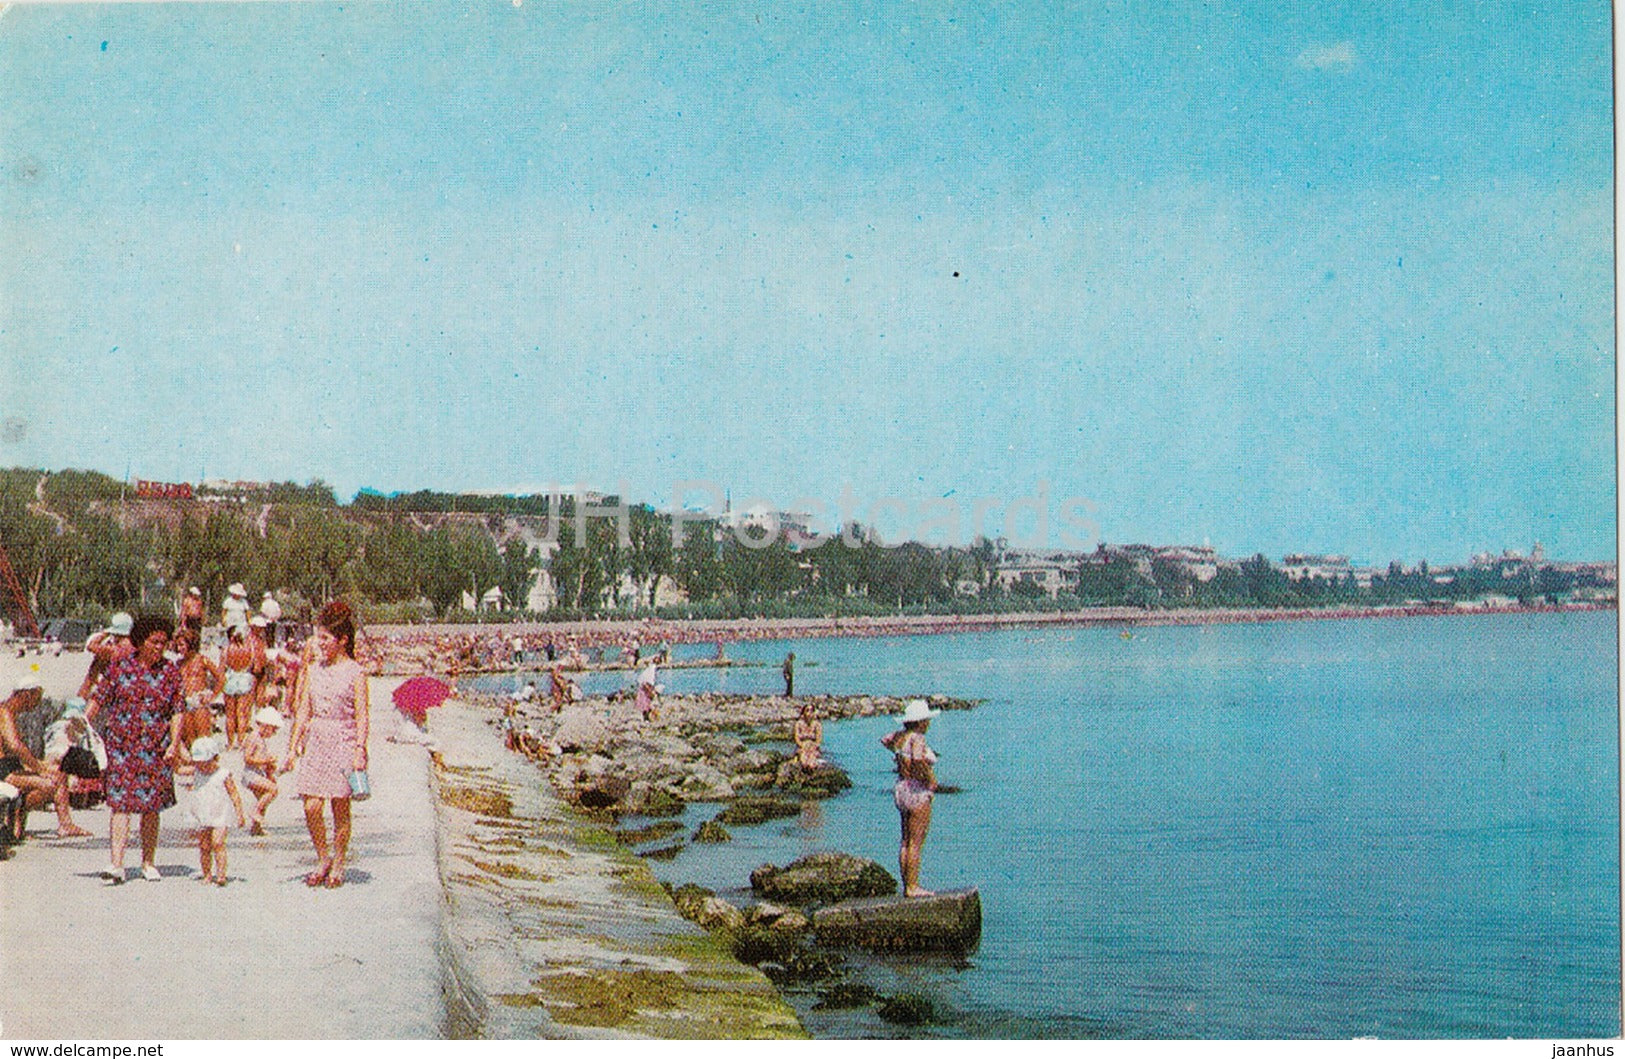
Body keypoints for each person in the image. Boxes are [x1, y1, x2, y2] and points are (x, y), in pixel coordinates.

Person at [85, 614, 186, 884]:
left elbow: (177, 711)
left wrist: (175, 744)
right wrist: (81, 725)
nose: (159, 647)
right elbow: (99, 698)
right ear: (140, 641)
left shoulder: (171, 672)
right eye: (154, 641)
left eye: (163, 642)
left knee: (151, 806)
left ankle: (148, 861)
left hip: (155, 747)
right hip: (120, 746)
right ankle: (116, 863)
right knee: (120, 804)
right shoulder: (119, 667)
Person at [281, 600, 369, 889]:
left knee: (340, 807)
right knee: (311, 807)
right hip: (317, 739)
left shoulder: (356, 672)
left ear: (342, 640)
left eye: (325, 639)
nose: (319, 644)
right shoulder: (313, 669)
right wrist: (292, 748)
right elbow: (303, 710)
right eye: (318, 638)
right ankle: (322, 857)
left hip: (343, 739)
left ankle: (339, 861)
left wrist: (360, 751)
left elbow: (362, 715)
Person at [0, 678, 89, 838]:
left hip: (11, 766)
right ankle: (16, 814)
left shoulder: (9, 712)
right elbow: (15, 746)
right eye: (37, 698)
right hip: (4, 770)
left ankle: (66, 825)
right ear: (27, 695)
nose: (37, 704)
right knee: (51, 784)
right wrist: (38, 768)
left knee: (59, 773)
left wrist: (39, 767)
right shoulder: (4, 712)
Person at [880, 699, 940, 898]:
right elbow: (917, 759)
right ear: (921, 722)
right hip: (916, 790)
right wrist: (930, 779)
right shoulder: (918, 738)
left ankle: (907, 884)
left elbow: (885, 740)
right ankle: (913, 886)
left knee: (905, 841)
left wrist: (899, 758)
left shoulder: (900, 736)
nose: (929, 724)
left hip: (901, 788)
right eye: (926, 720)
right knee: (916, 842)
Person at [185, 735, 245, 886]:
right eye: (199, 763)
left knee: (218, 843)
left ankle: (221, 875)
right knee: (204, 846)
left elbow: (234, 794)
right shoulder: (196, 772)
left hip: (220, 814)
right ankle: (207, 874)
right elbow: (179, 769)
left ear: (215, 758)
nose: (202, 767)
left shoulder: (223, 774)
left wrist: (239, 813)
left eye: (205, 763)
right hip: (202, 814)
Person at [242, 706, 283, 834]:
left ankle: (256, 828)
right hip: (250, 774)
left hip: (258, 773)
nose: (274, 733)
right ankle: (255, 811)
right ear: (265, 725)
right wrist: (265, 761)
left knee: (263, 798)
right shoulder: (253, 737)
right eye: (273, 729)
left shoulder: (261, 739)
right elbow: (247, 758)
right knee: (273, 790)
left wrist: (270, 767)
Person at [79, 612, 135, 699]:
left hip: (116, 687)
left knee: (97, 663)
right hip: (129, 684)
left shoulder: (115, 648)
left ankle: (80, 699)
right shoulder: (133, 645)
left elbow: (91, 646)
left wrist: (105, 633)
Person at [220, 623, 257, 749]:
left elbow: (221, 669)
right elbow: (253, 665)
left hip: (230, 680)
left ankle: (230, 743)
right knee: (242, 713)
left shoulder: (226, 650)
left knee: (230, 715)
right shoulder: (249, 649)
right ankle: (241, 741)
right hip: (244, 679)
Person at [793, 701, 824, 769]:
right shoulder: (798, 724)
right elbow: (797, 738)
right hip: (802, 745)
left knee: (812, 762)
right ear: (803, 712)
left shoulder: (817, 724)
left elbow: (819, 739)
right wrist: (803, 745)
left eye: (811, 711)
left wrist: (813, 746)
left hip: (813, 746)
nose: (809, 713)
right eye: (807, 710)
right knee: (804, 761)